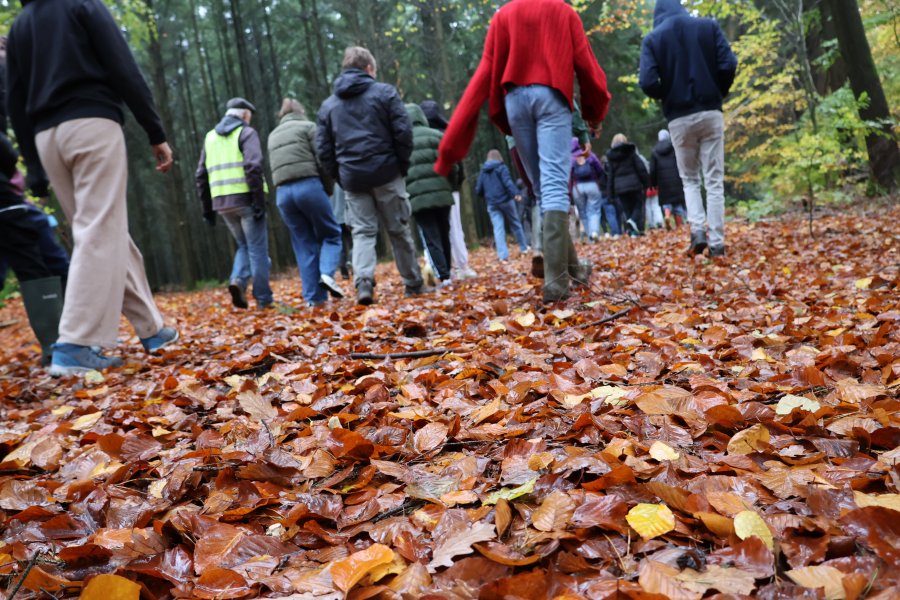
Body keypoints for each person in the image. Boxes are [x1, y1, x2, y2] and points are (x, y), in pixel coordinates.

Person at [7, 0, 178, 376]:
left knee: (101, 229)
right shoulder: (81, 4)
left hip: (46, 139)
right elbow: (124, 68)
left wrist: (35, 169)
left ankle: (152, 329)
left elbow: (15, 102)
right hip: (91, 124)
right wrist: (155, 131)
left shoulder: (21, 26)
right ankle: (74, 344)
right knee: (99, 229)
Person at [434, 0, 611, 303]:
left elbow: (485, 72)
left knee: (543, 189)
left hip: (514, 101)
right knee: (555, 186)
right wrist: (594, 111)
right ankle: (555, 285)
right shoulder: (563, 11)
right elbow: (586, 66)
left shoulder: (504, 15)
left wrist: (450, 146)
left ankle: (574, 269)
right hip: (552, 95)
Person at [317, 47, 427, 305]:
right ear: (368, 69)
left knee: (363, 233)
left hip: (353, 179)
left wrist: (341, 176)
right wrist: (401, 165)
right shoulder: (385, 93)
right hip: (387, 172)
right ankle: (413, 284)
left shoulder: (329, 106)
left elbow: (323, 150)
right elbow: (403, 132)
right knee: (399, 230)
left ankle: (364, 282)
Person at [639, 0, 737, 256]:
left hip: (679, 117)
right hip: (710, 110)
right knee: (714, 180)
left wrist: (668, 95)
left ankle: (697, 232)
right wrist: (718, 92)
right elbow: (728, 64)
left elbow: (647, 81)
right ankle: (716, 244)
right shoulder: (708, 27)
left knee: (690, 179)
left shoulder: (653, 39)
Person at [197, 98, 273, 310]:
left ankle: (237, 281)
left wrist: (207, 209)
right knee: (257, 249)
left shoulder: (209, 138)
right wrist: (258, 200)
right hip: (246, 200)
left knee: (244, 245)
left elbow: (200, 175)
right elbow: (254, 166)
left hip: (222, 203)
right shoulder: (246, 133)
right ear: (245, 115)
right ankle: (264, 299)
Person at [267, 98, 345, 308]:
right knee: (331, 234)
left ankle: (314, 299)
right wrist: (327, 189)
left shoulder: (272, 136)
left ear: (281, 115)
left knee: (304, 245)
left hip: (283, 194)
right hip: (308, 187)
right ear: (301, 112)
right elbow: (322, 160)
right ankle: (327, 274)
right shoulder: (309, 127)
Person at [0, 132, 62, 364]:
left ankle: (57, 345)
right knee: (33, 270)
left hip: (10, 203)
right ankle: (55, 347)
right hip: (7, 207)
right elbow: (7, 152)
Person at [420, 100, 477, 280]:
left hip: (421, 192)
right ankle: (462, 266)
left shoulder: (415, 135)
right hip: (447, 189)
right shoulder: (446, 134)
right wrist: (456, 184)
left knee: (429, 232)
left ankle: (435, 266)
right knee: (454, 228)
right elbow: (457, 164)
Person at [404, 103, 457, 285]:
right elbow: (452, 164)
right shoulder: (437, 135)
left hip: (418, 199)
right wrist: (452, 185)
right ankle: (447, 272)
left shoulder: (403, 143)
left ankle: (444, 276)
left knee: (431, 237)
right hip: (442, 194)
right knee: (445, 233)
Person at [474, 150, 529, 261]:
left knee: (498, 229)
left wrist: (487, 196)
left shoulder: (483, 171)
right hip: (506, 201)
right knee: (516, 224)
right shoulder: (501, 167)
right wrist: (516, 194)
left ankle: (503, 256)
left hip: (492, 204)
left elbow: (478, 189)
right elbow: (507, 182)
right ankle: (524, 248)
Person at [570, 137, 618, 239]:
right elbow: (600, 169)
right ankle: (594, 232)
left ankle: (590, 236)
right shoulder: (589, 155)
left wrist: (570, 191)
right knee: (594, 210)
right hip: (592, 185)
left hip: (577, 188)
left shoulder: (570, 158)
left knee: (583, 213)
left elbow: (568, 176)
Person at [606, 134, 649, 236]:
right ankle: (633, 222)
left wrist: (610, 193)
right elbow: (641, 168)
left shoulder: (611, 157)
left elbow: (610, 176)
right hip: (635, 185)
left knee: (627, 209)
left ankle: (632, 231)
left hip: (620, 188)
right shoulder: (631, 152)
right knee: (638, 205)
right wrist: (646, 182)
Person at [650, 129, 687, 229]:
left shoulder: (654, 151)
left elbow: (652, 170)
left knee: (666, 202)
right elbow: (681, 162)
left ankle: (667, 215)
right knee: (678, 203)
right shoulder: (674, 148)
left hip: (663, 183)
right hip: (676, 179)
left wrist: (653, 183)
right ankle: (679, 225)